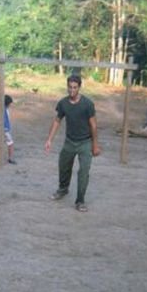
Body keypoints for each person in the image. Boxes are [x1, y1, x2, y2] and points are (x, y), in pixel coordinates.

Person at [44, 74, 101, 212]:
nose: (72, 90)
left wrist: (95, 145)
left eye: (75, 87)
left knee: (83, 172)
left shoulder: (87, 104)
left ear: (79, 88)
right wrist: (49, 139)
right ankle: (63, 189)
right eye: (69, 87)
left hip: (85, 143)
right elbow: (57, 120)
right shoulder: (63, 103)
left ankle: (80, 201)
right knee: (63, 165)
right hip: (69, 141)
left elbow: (93, 125)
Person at [4, 94, 17, 164]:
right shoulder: (4, 111)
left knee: (1, 143)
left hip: (4, 130)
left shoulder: (4, 110)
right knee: (10, 143)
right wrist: (6, 129)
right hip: (5, 130)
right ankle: (10, 158)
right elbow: (5, 121)